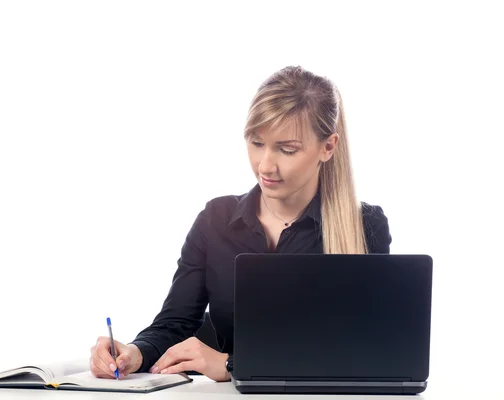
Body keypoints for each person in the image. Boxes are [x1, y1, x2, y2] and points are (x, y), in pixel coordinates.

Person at [90, 65, 392, 382]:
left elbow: (364, 352)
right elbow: (175, 322)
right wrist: (134, 353)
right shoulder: (215, 220)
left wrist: (232, 365)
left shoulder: (364, 226)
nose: (265, 166)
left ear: (328, 147)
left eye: (287, 149)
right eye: (256, 143)